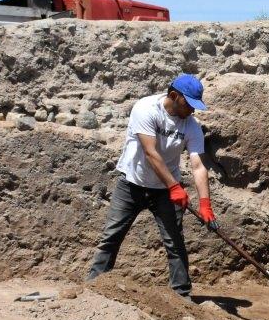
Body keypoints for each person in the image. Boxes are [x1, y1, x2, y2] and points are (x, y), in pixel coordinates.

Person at [86, 74, 218, 299]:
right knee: (112, 236)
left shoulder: (191, 126)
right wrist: (175, 187)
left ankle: (182, 296)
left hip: (165, 192)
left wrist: (205, 203)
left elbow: (198, 165)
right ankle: (93, 288)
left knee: (175, 243)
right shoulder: (146, 108)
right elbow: (151, 153)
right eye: (189, 105)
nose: (192, 111)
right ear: (174, 96)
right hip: (132, 183)